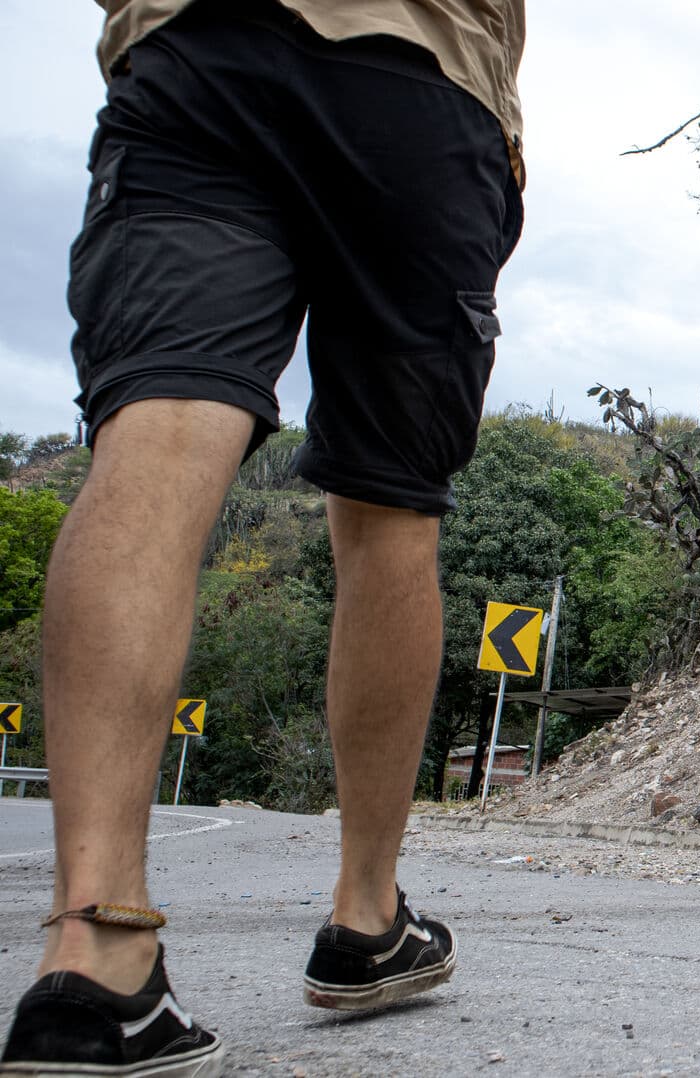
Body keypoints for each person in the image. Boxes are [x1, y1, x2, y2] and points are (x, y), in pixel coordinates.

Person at [2, 0, 525, 1072]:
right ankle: (368, 917)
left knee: (155, 431)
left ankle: (94, 950)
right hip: (421, 72)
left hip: (201, 53)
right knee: (390, 503)